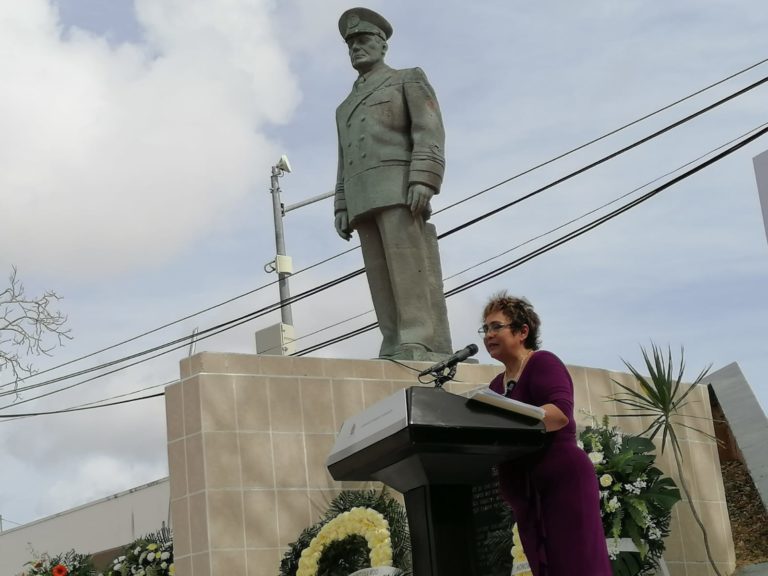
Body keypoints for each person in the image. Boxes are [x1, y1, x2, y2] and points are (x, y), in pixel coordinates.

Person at [334, 7, 452, 361]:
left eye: (363, 39)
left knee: (407, 266)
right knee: (379, 273)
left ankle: (418, 337)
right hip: (360, 192)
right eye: (351, 42)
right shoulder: (344, 107)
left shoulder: (407, 79)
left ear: (382, 44)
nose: (356, 47)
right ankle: (393, 338)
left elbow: (428, 130)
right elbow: (343, 158)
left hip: (398, 185)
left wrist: (423, 178)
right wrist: (341, 203)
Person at [481, 292, 612, 576]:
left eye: (496, 326)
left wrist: (511, 421)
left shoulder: (543, 362)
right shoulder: (494, 386)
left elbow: (559, 413)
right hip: (527, 493)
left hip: (562, 484)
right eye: (485, 329)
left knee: (577, 566)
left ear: (522, 331)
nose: (488, 334)